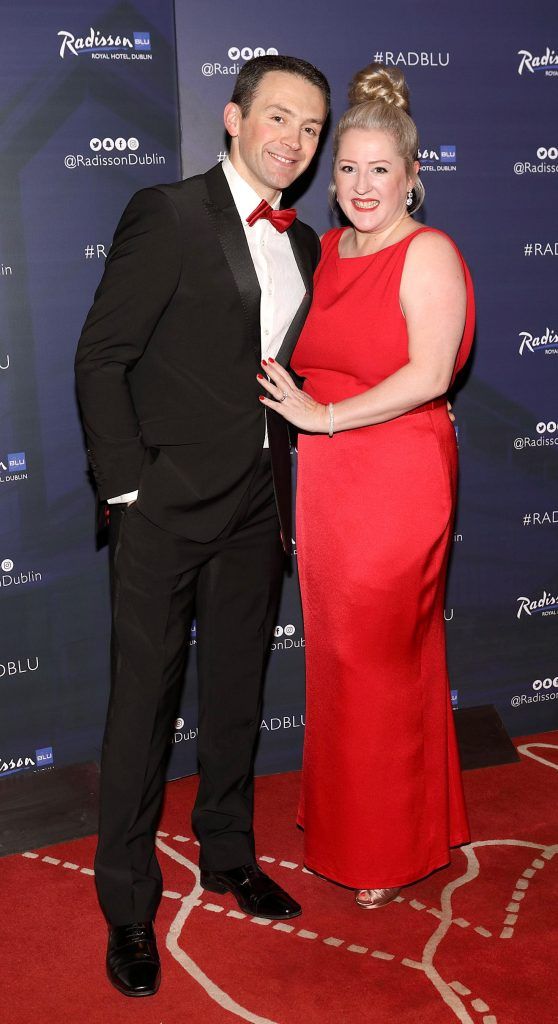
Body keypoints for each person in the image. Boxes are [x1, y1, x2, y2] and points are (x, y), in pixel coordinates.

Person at [74, 54, 329, 996]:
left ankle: (226, 851)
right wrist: (129, 487)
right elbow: (101, 357)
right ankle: (129, 906)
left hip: (258, 506)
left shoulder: (305, 248)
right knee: (142, 708)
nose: (294, 141)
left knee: (235, 692)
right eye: (277, 118)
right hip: (163, 511)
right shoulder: (168, 213)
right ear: (232, 118)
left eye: (311, 128)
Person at [258, 63, 473, 909]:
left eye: (380, 169)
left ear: (413, 175)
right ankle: (381, 824)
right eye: (345, 168)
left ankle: (381, 853)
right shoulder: (330, 248)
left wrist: (322, 419)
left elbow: (427, 375)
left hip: (396, 476)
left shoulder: (431, 254)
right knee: (350, 664)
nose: (360, 185)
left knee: (376, 663)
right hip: (330, 482)